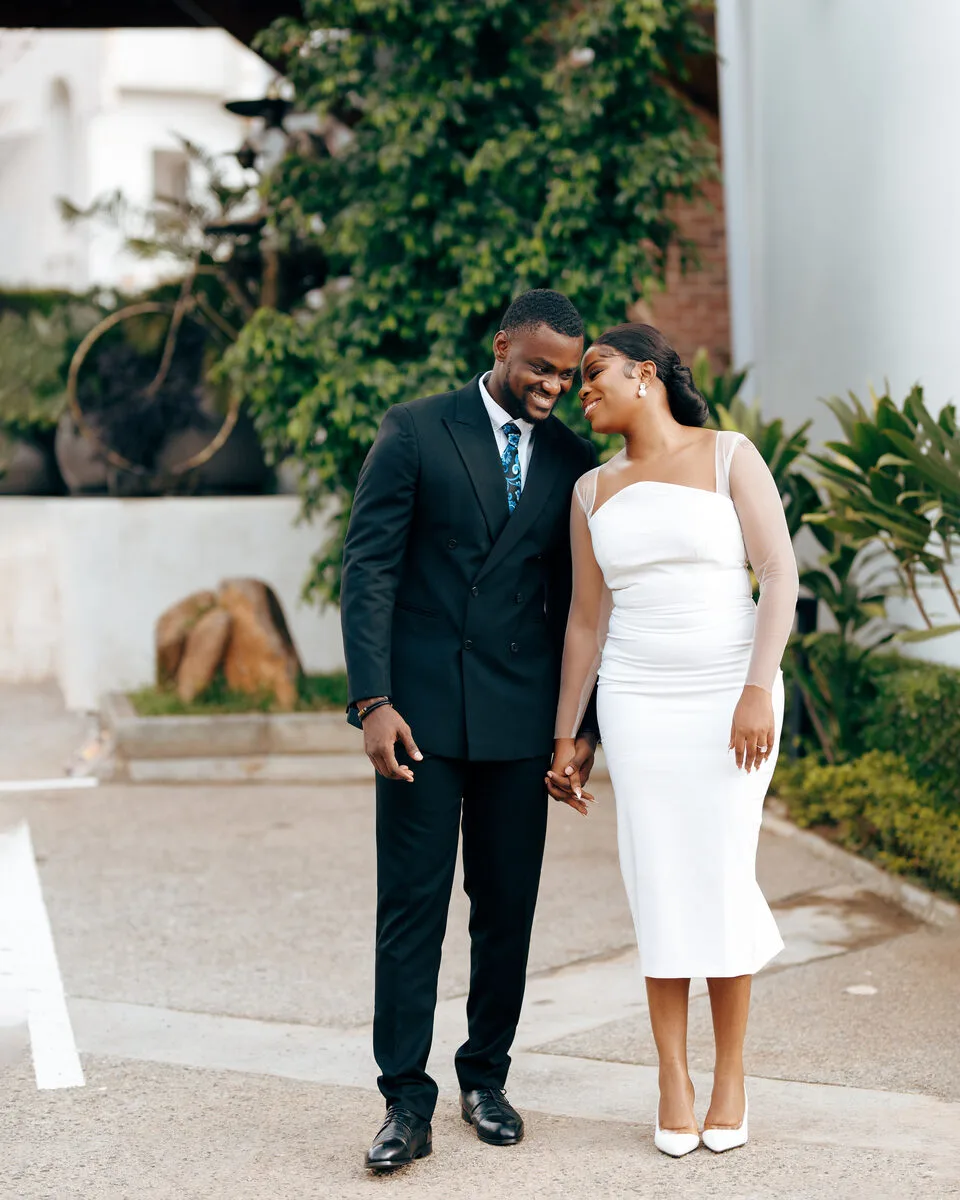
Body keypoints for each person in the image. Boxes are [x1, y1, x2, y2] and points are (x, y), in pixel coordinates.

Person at [340, 289, 600, 1172]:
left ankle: (484, 1076)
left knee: (506, 911)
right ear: (501, 347)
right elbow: (368, 565)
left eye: (566, 375)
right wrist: (372, 700)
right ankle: (403, 1100)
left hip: (520, 720)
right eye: (539, 368)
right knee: (411, 911)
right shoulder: (416, 428)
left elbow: (578, 605)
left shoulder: (571, 458)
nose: (552, 387)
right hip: (418, 716)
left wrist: (580, 728)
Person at [551, 323, 799, 1158]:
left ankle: (730, 1072)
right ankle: (671, 1074)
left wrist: (757, 687)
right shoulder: (589, 490)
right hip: (638, 702)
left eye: (595, 374)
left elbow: (780, 574)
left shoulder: (731, 456)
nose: (582, 389)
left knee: (723, 875)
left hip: (732, 692)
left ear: (645, 375)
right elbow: (587, 623)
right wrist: (567, 735)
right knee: (656, 878)